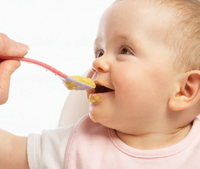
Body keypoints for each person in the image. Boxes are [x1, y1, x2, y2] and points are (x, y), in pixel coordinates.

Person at [1, 0, 200, 168]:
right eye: (99, 52)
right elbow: (8, 151)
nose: (97, 63)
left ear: (185, 90)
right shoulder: (75, 144)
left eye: (124, 51)